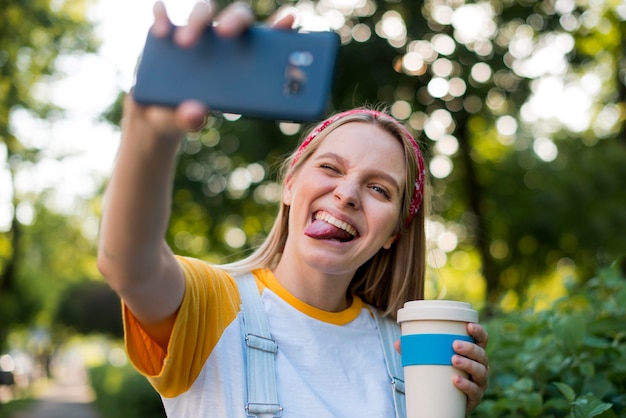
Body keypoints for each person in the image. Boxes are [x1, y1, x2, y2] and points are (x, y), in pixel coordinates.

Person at [97, 1, 490, 417]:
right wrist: (150, 127)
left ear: (395, 231)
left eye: (379, 188)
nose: (348, 194)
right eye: (330, 168)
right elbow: (126, 264)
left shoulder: (406, 349)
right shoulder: (211, 305)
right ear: (290, 185)